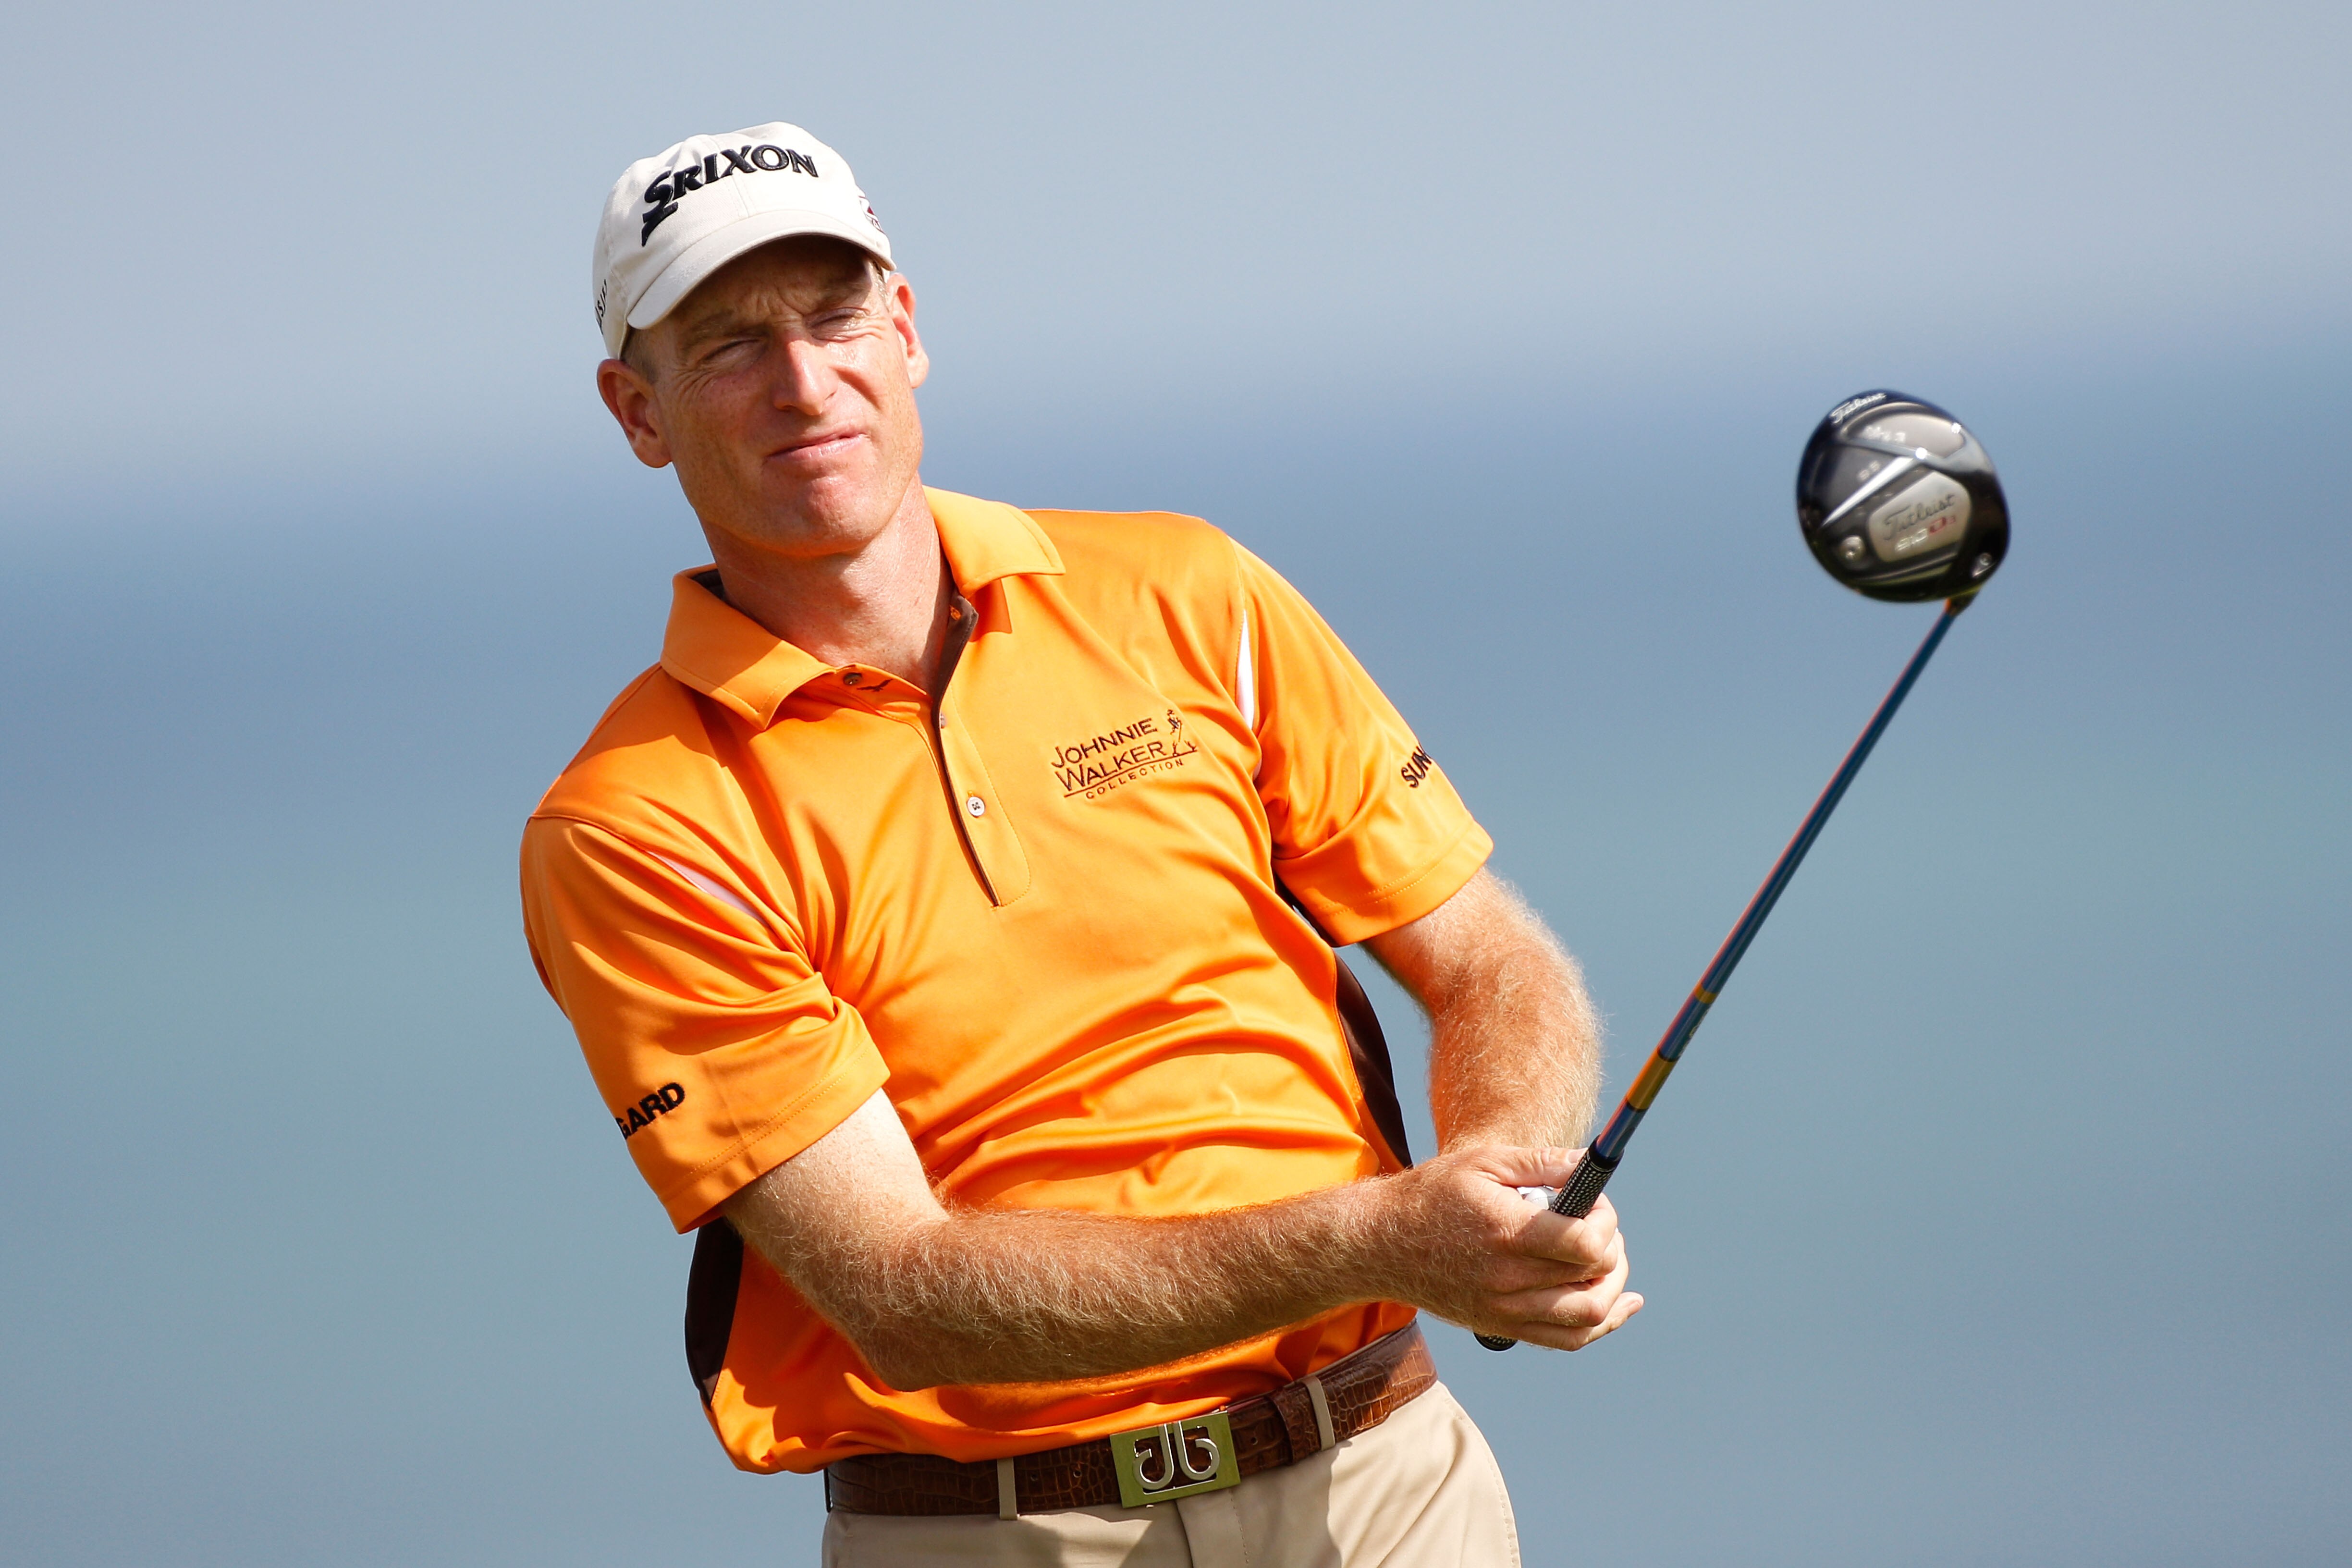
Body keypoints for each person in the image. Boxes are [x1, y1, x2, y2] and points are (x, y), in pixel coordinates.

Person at [521, 121, 1641, 1567]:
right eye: (729, 344)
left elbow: (1486, 957)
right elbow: (901, 1292)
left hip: (1385, 1487)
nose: (806, 381)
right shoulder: (633, 822)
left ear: (906, 327)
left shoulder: (1188, 590)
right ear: (638, 411)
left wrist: (1495, 1195)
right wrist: (1398, 1239)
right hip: (999, 1535)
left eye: (834, 313)